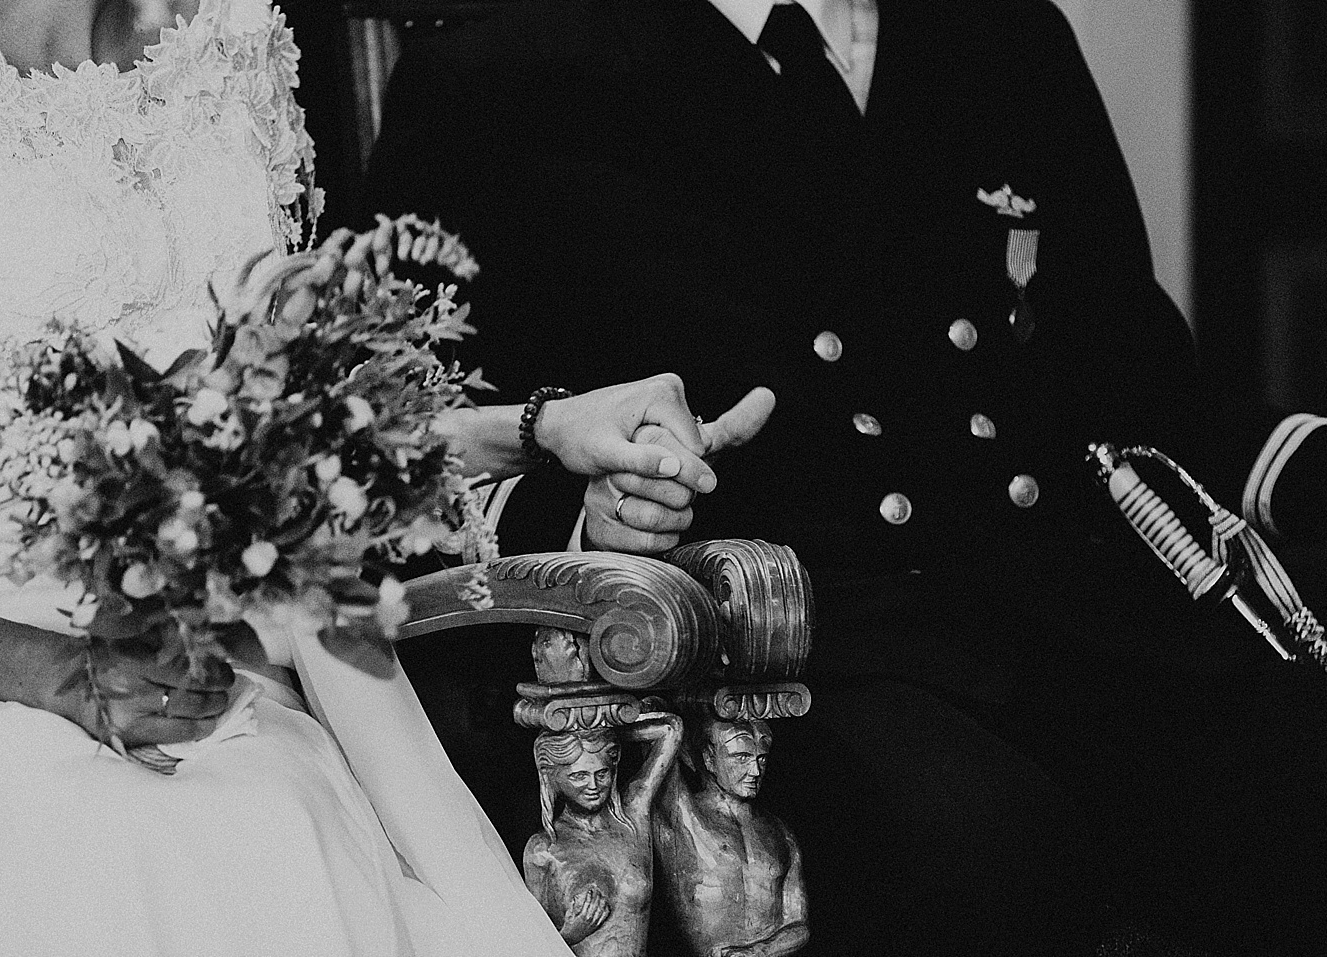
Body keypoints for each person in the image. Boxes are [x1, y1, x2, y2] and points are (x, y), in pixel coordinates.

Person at [362, 0, 1327, 953]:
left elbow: (1135, 381)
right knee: (984, 848)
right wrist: (589, 521)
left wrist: (1304, 460)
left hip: (1050, 605)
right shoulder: (504, 73)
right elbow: (389, 455)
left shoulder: (1004, 34)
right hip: (776, 661)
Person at [0, 1, 774, 954]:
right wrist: (68, 679)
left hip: (206, 686)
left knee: (265, 831)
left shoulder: (229, 40)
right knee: (108, 852)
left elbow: (293, 442)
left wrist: (545, 428)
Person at [522, 714, 682, 956]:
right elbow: (529, 944)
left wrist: (603, 730)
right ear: (552, 777)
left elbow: (670, 730)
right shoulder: (543, 849)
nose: (593, 785)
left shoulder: (631, 819)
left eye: (602, 773)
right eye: (579, 776)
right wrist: (570, 934)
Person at [653, 717, 808, 957]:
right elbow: (662, 734)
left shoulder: (779, 831)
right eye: (741, 757)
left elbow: (799, 925)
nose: (755, 771)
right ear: (709, 759)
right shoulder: (682, 817)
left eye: (761, 759)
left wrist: (756, 952)